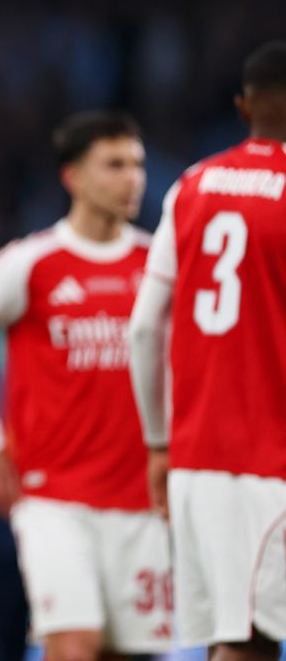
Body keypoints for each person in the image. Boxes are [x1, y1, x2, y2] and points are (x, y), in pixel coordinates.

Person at [0, 111, 172, 660]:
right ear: (73, 176)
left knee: (129, 653)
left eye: (139, 165)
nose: (133, 179)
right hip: (51, 497)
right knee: (74, 645)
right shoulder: (30, 261)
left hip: (142, 501)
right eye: (115, 165)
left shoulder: (160, 265)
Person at [130, 41, 286, 660]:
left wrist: (159, 444)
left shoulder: (191, 186)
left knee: (238, 637)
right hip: (269, 458)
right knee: (253, 641)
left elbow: (145, 328)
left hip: (196, 455)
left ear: (243, 107)